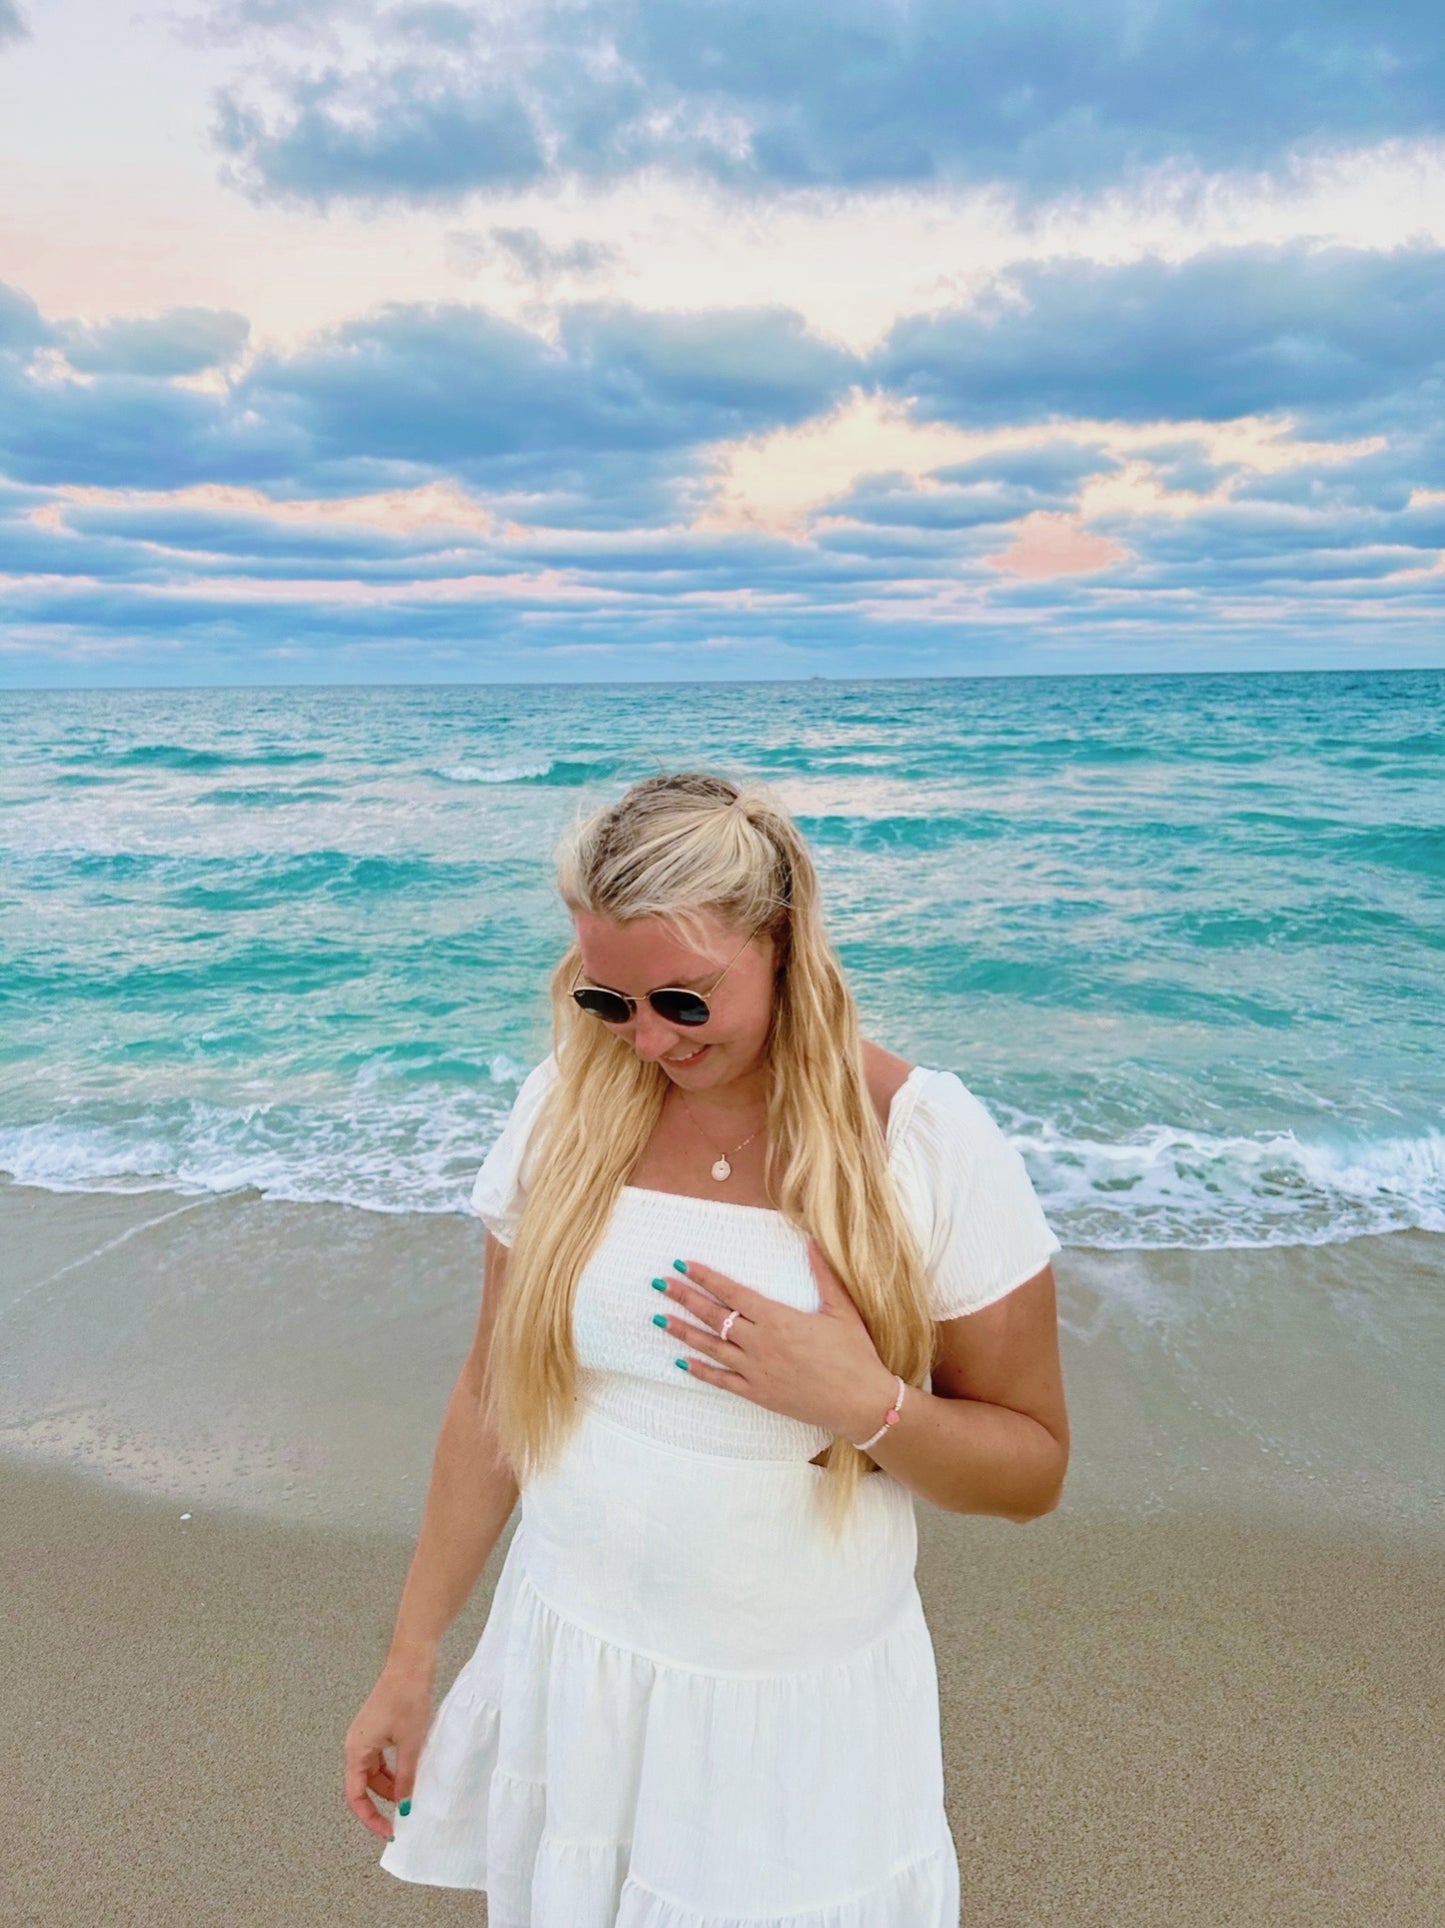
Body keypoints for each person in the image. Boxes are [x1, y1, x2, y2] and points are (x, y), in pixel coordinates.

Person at [344, 770, 1069, 1925]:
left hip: (789, 1716)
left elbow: (1030, 1466)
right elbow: (493, 1392)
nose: (645, 1041)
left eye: (683, 1000)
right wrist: (411, 1653)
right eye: (605, 1002)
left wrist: (868, 1403)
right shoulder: (567, 1107)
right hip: (571, 1666)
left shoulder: (922, 1139)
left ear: (778, 940)